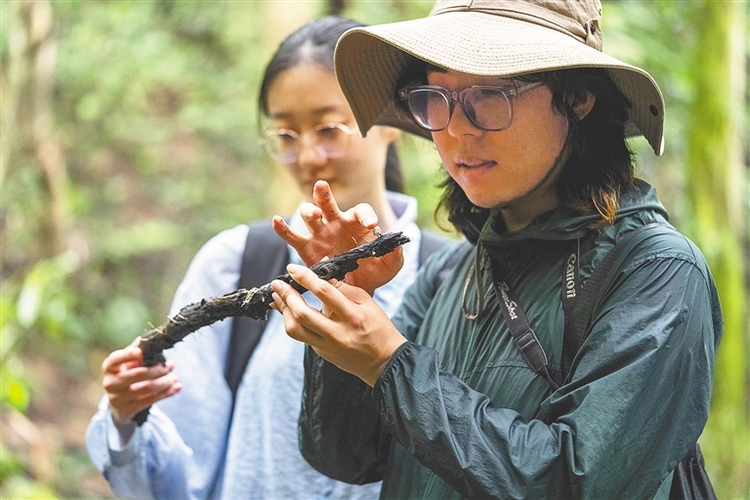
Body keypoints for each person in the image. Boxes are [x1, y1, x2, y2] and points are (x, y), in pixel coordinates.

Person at [269, 1, 723, 499]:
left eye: (489, 96)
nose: (458, 130)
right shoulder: (449, 273)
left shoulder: (655, 272)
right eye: (435, 98)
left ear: (577, 97)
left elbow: (576, 481)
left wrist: (388, 362)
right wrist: (344, 315)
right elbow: (350, 456)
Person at [86, 16, 447, 499]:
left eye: (329, 128)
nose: (308, 156)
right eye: (286, 135)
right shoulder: (238, 263)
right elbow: (177, 474)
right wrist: (127, 416)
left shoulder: (452, 277)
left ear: (388, 123)